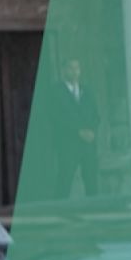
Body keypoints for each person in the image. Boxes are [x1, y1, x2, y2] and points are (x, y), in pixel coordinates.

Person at [49, 57, 101, 199]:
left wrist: (92, 131)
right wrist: (78, 131)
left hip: (88, 144)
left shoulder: (87, 91)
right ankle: (59, 212)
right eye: (71, 68)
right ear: (64, 70)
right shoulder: (56, 92)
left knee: (91, 179)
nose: (74, 72)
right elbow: (56, 118)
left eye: (77, 68)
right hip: (68, 144)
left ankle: (94, 210)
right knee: (65, 179)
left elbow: (96, 115)